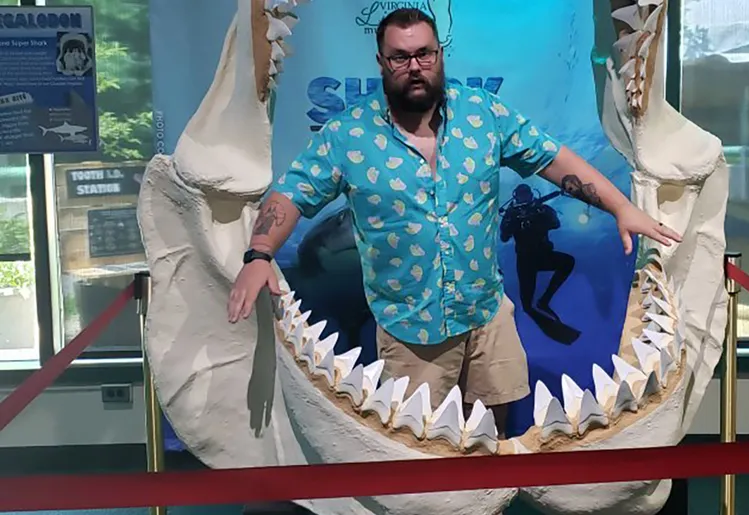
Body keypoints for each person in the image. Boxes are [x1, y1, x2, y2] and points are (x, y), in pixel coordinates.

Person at [227, 7, 681, 436]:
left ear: (439, 55)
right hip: (409, 332)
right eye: (401, 57)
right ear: (382, 62)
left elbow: (553, 160)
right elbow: (292, 193)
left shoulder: (485, 115)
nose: (415, 66)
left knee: (492, 440)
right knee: (417, 457)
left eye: (424, 53)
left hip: (487, 317)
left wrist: (621, 206)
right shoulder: (347, 136)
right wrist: (258, 254)